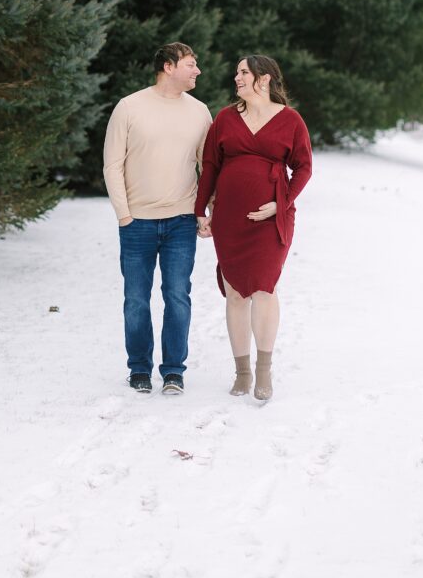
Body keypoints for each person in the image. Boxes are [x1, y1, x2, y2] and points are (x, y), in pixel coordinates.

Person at [195, 54, 312, 401]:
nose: (237, 78)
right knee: (235, 294)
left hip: (272, 220)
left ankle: (263, 370)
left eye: (243, 72)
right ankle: (242, 372)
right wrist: (200, 208)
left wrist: (282, 203)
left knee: (264, 288)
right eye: (237, 72)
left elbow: (303, 167)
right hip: (230, 219)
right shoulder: (226, 118)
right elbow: (211, 164)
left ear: (264, 79)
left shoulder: (291, 121)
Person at [103, 42, 212, 395]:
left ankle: (173, 371)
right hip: (138, 223)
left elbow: (208, 166)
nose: (197, 71)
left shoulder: (199, 112)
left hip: (181, 221)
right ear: (169, 67)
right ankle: (138, 368)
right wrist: (124, 215)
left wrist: (205, 210)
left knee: (177, 295)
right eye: (191, 64)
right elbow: (112, 165)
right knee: (136, 298)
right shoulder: (129, 107)